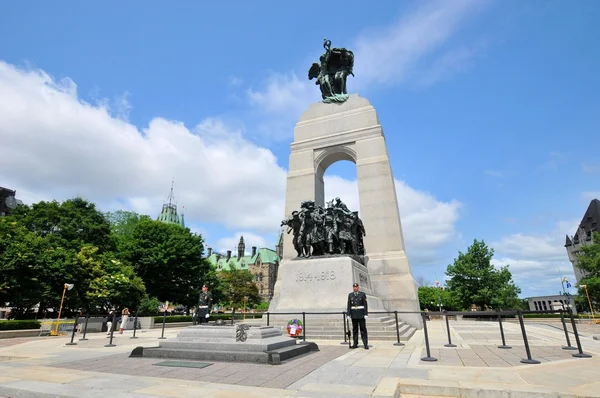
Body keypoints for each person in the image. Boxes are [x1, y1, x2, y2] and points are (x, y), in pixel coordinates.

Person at [346, 282, 369, 349]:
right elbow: (349, 305)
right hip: (354, 315)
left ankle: (365, 344)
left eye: (356, 287)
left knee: (363, 329)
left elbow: (365, 304)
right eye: (354, 287)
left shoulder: (362, 294)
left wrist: (366, 314)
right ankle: (355, 343)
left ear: (358, 287)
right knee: (355, 330)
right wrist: (348, 314)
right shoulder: (350, 295)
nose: (355, 288)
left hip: (361, 315)